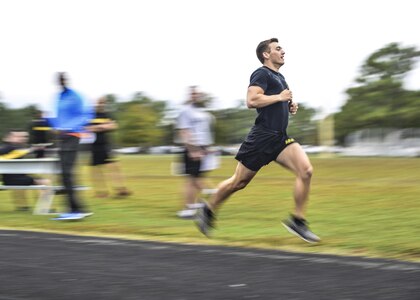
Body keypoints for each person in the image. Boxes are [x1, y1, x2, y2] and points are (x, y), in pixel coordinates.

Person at [195, 38, 320, 243]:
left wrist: (289, 105)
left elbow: (277, 99)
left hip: (280, 138)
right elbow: (252, 101)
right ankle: (207, 209)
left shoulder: (280, 77)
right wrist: (279, 98)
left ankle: (298, 221)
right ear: (266, 54)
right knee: (239, 182)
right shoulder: (261, 73)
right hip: (261, 138)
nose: (283, 51)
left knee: (306, 171)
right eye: (278, 49)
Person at [48, 72, 93, 220]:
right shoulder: (59, 97)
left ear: (67, 80)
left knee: (66, 173)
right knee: (65, 173)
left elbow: (86, 115)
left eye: (63, 79)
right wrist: (54, 125)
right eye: (59, 80)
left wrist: (70, 127)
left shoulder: (75, 96)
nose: (61, 82)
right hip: (62, 137)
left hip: (73, 136)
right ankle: (79, 208)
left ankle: (75, 210)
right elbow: (56, 117)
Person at [175, 86, 217, 219]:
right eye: (193, 93)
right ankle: (188, 208)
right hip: (192, 148)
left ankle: (195, 204)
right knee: (191, 180)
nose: (195, 95)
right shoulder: (186, 111)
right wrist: (192, 149)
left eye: (197, 93)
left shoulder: (200, 111)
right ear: (189, 95)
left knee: (198, 178)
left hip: (202, 148)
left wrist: (207, 148)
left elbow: (203, 131)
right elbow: (184, 131)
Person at [85, 96, 131, 198]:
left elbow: (114, 126)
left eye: (103, 103)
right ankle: (101, 192)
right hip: (93, 146)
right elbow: (87, 128)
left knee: (114, 166)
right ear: (96, 103)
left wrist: (98, 127)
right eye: (99, 102)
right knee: (95, 169)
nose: (101, 104)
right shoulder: (90, 115)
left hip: (106, 145)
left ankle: (121, 189)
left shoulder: (108, 115)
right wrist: (103, 126)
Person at [0, 129, 51, 211]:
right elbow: (18, 152)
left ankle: (22, 206)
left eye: (24, 136)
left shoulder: (13, 148)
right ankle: (44, 208)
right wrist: (34, 149)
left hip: (12, 179)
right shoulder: (9, 147)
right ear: (8, 138)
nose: (23, 138)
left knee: (28, 182)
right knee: (45, 182)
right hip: (14, 180)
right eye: (18, 136)